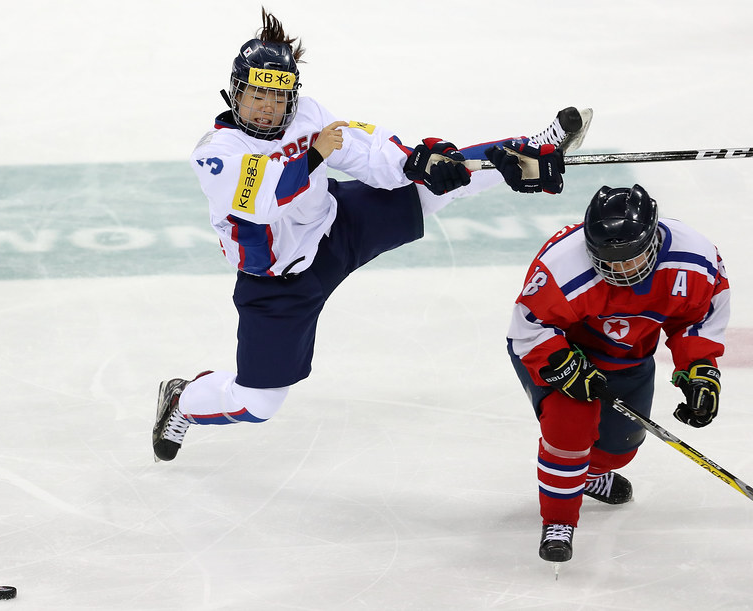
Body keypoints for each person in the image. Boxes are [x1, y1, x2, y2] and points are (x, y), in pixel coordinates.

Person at [153, 8, 586, 462]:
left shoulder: (307, 115)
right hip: (279, 281)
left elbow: (366, 147)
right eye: (258, 93)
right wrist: (317, 154)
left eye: (278, 97)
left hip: (335, 226)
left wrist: (414, 162)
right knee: (257, 404)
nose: (268, 107)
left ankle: (528, 150)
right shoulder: (216, 154)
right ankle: (183, 399)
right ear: (235, 91)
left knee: (430, 184)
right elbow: (265, 197)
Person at [505, 183, 730, 565]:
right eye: (608, 260)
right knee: (570, 431)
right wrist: (564, 367)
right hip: (563, 351)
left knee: (618, 448)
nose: (620, 269)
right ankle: (559, 521)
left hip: (630, 357)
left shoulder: (695, 259)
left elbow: (697, 319)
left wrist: (700, 369)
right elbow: (529, 330)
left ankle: (588, 475)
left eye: (630, 257)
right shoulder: (562, 264)